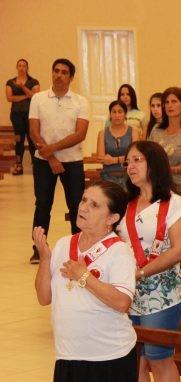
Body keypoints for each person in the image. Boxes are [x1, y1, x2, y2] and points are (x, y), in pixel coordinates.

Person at [33, 181, 136, 382]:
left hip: (109, 357)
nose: (83, 208)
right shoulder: (66, 244)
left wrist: (84, 276)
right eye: (83, 200)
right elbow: (44, 297)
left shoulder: (119, 252)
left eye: (94, 204)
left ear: (112, 218)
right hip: (70, 357)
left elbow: (121, 302)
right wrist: (45, 259)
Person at [118, 141, 181, 382]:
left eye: (137, 160)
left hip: (162, 295)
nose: (130, 166)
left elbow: (180, 250)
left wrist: (143, 271)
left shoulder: (176, 204)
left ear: (155, 164)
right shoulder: (127, 204)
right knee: (135, 362)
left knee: (160, 360)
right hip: (129, 295)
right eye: (128, 161)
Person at [28, 58, 90, 264]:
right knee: (43, 204)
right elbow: (34, 131)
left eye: (64, 72)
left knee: (76, 206)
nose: (59, 75)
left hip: (72, 162)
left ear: (71, 77)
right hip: (43, 162)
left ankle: (78, 246)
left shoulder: (81, 101)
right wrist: (51, 158)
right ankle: (39, 247)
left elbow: (80, 134)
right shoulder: (38, 98)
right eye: (56, 71)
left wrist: (52, 150)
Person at [148, 86, 181, 211]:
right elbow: (148, 158)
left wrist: (172, 170)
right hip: (158, 188)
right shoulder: (156, 130)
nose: (169, 106)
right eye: (166, 102)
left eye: (174, 102)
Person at [5, 58, 40, 175]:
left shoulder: (33, 81)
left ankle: (35, 164)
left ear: (27, 68)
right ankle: (18, 166)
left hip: (31, 115)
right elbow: (9, 98)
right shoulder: (10, 82)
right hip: (16, 114)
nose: (21, 68)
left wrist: (23, 88)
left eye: (24, 66)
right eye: (19, 65)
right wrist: (27, 95)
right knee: (19, 140)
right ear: (16, 67)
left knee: (32, 139)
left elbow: (36, 97)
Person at [96, 100, 140, 187]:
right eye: (114, 112)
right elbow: (101, 159)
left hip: (130, 175)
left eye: (120, 112)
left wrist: (114, 160)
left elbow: (135, 158)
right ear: (110, 114)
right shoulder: (103, 133)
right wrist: (125, 158)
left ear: (125, 114)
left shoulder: (133, 131)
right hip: (108, 175)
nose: (117, 115)